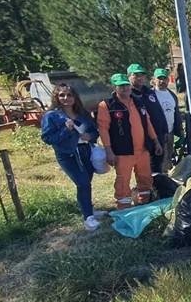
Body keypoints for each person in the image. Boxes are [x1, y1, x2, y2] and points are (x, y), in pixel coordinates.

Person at [41, 83, 102, 230]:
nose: (66, 98)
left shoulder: (83, 113)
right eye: (61, 95)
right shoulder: (51, 116)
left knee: (86, 182)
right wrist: (65, 130)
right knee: (82, 183)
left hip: (86, 151)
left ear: (75, 97)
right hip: (68, 155)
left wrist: (90, 136)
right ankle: (88, 218)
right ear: (56, 97)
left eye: (69, 95)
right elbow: (47, 138)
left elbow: (94, 131)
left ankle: (89, 209)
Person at [96, 73, 162, 209]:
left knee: (145, 177)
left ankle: (144, 202)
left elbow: (148, 123)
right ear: (114, 87)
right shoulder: (106, 105)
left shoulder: (138, 102)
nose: (125, 88)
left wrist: (156, 141)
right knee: (123, 180)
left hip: (143, 149)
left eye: (126, 85)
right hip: (123, 151)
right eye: (121, 86)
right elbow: (103, 129)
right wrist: (108, 150)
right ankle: (124, 208)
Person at [127, 63, 169, 173]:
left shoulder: (149, 92)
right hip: (142, 139)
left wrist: (164, 130)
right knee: (146, 170)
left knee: (158, 166)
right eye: (136, 75)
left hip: (158, 135)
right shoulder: (128, 95)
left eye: (142, 75)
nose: (140, 78)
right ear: (129, 76)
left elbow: (159, 111)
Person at [151, 68, 183, 171]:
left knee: (168, 158)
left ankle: (167, 176)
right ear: (154, 79)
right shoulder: (150, 95)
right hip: (156, 134)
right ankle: (159, 177)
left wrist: (180, 132)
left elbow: (176, 114)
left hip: (170, 132)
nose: (162, 81)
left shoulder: (172, 95)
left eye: (164, 78)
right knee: (159, 160)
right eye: (159, 78)